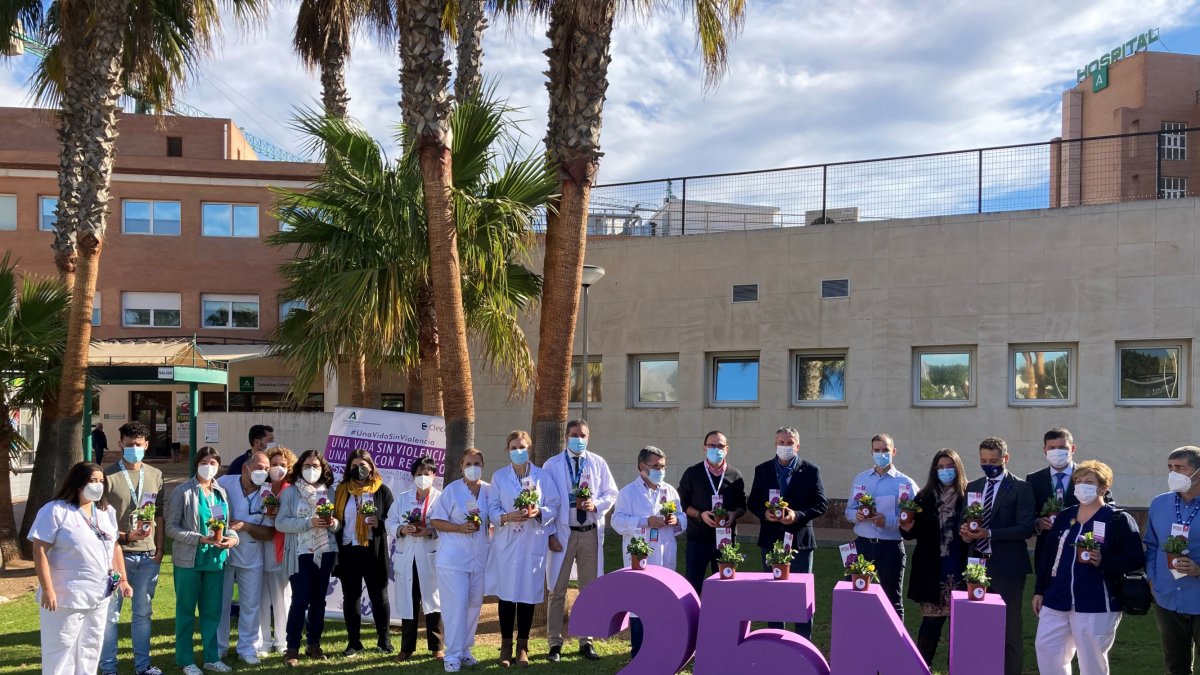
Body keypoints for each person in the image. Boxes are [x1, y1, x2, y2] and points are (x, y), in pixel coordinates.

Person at [1033, 460, 1142, 675]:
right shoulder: (1065, 516)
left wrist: (1104, 560)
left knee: (1092, 662)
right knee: (1048, 651)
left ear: (1103, 487)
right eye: (1078, 481)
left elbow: (1135, 559)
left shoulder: (1118, 519)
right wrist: (1039, 590)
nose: (1082, 486)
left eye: (1089, 482)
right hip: (1057, 598)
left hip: (1096, 602)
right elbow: (1048, 555)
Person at [30, 461, 132, 675]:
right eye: (92, 480)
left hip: (99, 594)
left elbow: (114, 546)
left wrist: (123, 580)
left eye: (101, 481)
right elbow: (39, 550)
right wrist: (48, 589)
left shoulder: (106, 512)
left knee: (90, 648)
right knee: (61, 651)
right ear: (78, 483)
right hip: (65, 595)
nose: (97, 485)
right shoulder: (56, 510)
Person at [544, 419, 619, 662]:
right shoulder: (552, 464)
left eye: (583, 435)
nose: (579, 439)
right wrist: (550, 534)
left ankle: (586, 641)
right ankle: (554, 643)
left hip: (589, 533)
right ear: (566, 437)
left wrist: (595, 505)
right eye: (574, 435)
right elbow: (545, 500)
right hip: (562, 534)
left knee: (589, 590)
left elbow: (611, 492)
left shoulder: (598, 462)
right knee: (557, 590)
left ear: (589, 437)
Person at [959, 437, 1035, 675]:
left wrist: (990, 533)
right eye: (983, 461)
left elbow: (1025, 528)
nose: (988, 465)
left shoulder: (1021, 488)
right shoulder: (973, 486)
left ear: (1005, 458)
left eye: (993, 461)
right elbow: (964, 520)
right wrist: (965, 533)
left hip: (1008, 569)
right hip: (976, 565)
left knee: (1009, 629)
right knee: (977, 626)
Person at [485, 430, 560, 667]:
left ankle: (523, 646)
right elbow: (492, 508)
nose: (518, 451)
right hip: (507, 542)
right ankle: (506, 646)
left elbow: (554, 504)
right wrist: (507, 516)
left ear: (530, 448)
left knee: (527, 595)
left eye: (522, 447)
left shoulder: (542, 477)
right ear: (507, 450)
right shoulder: (499, 477)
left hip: (532, 541)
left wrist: (538, 512)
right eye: (513, 448)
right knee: (507, 595)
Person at [166, 447, 240, 675]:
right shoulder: (183, 491)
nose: (209, 467)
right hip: (189, 561)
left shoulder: (220, 493)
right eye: (204, 462)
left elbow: (226, 525)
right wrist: (199, 539)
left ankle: (211, 657)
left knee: (212, 613)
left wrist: (233, 539)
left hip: (215, 561)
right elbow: (171, 527)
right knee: (186, 611)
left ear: (219, 466)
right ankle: (186, 660)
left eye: (213, 463)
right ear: (196, 464)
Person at [100, 421, 165, 675]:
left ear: (146, 445)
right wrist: (126, 537)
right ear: (120, 444)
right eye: (129, 445)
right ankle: (108, 669)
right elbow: (100, 522)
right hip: (116, 556)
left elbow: (159, 515)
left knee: (142, 614)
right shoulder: (106, 476)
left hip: (148, 556)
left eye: (138, 444)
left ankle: (143, 666)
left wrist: (160, 550)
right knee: (110, 616)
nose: (134, 449)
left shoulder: (156, 474)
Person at [748, 427, 826, 636]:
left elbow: (821, 504)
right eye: (781, 442)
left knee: (801, 595)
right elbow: (753, 501)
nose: (785, 446)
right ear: (775, 444)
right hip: (771, 539)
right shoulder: (762, 470)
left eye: (790, 443)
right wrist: (764, 513)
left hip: (800, 540)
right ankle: (776, 639)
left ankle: (803, 641)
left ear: (797, 446)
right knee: (773, 594)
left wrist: (797, 515)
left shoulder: (811, 470)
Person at [612, 445, 684, 658]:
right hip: (640, 557)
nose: (660, 470)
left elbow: (682, 518)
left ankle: (661, 651)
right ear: (642, 467)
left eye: (663, 466)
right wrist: (645, 521)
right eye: (656, 466)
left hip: (665, 554)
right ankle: (639, 653)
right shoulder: (627, 493)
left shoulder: (669, 491)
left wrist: (676, 521)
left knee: (665, 602)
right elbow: (617, 521)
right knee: (640, 603)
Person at [899, 448, 967, 666]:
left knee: (962, 626)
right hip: (931, 569)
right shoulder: (924, 497)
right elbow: (912, 532)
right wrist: (907, 527)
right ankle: (922, 666)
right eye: (941, 467)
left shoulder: (968, 496)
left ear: (957, 469)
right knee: (931, 624)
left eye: (950, 467)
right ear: (934, 470)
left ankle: (958, 667)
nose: (945, 471)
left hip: (960, 567)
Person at [274, 449, 339, 667]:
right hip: (300, 553)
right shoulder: (291, 492)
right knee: (300, 600)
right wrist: (308, 522)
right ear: (300, 468)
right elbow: (281, 523)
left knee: (319, 600)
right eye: (307, 466)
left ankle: (314, 644)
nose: (312, 470)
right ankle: (292, 648)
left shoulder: (329, 492)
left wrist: (334, 523)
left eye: (316, 466)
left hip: (324, 552)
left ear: (323, 468)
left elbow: (338, 522)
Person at [429, 448, 493, 673]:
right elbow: (436, 520)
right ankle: (452, 655)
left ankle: (465, 650)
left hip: (479, 558)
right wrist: (459, 528)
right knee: (456, 607)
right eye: (468, 464)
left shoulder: (489, 491)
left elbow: (494, 518)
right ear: (461, 466)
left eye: (477, 463)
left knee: (474, 605)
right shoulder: (452, 490)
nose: (472, 467)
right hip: (452, 560)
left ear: (482, 466)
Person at [844, 433, 918, 619]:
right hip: (862, 545)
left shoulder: (906, 483)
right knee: (854, 595)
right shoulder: (861, 479)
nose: (881, 454)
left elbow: (914, 520)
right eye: (877, 450)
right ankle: (857, 634)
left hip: (890, 547)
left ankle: (895, 638)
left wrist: (888, 521)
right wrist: (857, 516)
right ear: (871, 452)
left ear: (894, 451)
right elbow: (849, 510)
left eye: (885, 450)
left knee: (892, 600)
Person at [333, 449, 395, 656]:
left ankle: (384, 641)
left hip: (372, 549)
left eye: (363, 465)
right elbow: (337, 519)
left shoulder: (382, 491)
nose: (358, 469)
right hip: (348, 549)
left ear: (371, 467)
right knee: (351, 597)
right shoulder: (342, 490)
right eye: (354, 466)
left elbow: (393, 520)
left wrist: (379, 523)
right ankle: (354, 643)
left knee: (379, 596)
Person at [1144, 445, 1200, 675]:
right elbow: (1151, 545)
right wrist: (1152, 580)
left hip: (1197, 595)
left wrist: (1198, 569)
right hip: (1167, 598)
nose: (1173, 474)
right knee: (1175, 667)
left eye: (1180, 468)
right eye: (1170, 468)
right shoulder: (1159, 503)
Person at [215, 449, 274, 664]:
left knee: (250, 604)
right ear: (244, 468)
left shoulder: (268, 495)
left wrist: (247, 526)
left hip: (251, 552)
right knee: (220, 602)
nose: (262, 472)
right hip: (223, 551)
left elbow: (269, 533)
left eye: (266, 469)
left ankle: (247, 649)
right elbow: (212, 509)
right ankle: (219, 647)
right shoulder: (224, 483)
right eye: (258, 468)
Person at [387, 456, 443, 663]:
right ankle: (406, 648)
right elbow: (389, 522)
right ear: (412, 476)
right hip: (407, 559)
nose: (422, 477)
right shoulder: (403, 498)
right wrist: (402, 529)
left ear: (434, 475)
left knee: (433, 603)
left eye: (426, 474)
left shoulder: (441, 498)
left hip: (429, 557)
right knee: (408, 603)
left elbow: (446, 525)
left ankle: (437, 647)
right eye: (419, 474)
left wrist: (429, 531)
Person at [1027, 428, 1111, 565]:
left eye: (1062, 447)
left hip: (1082, 548)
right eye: (1052, 448)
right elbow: (1027, 512)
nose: (1057, 452)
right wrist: (1037, 523)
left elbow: (1107, 504)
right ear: (1045, 450)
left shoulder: (1089, 476)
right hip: (1047, 549)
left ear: (1072, 449)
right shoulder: (1034, 479)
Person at [678, 430, 747, 594]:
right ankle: (694, 612)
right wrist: (699, 515)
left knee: (725, 587)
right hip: (698, 539)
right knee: (693, 585)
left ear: (727, 449)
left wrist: (733, 514)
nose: (716, 449)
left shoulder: (735, 475)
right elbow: (682, 503)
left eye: (720, 446)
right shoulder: (692, 473)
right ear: (704, 448)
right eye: (712, 445)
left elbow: (742, 506)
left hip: (725, 541)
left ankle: (723, 611)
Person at [260, 446, 296, 655]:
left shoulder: (290, 490)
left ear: (289, 467)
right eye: (274, 464)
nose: (278, 469)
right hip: (258, 548)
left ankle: (282, 641)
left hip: (280, 549)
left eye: (283, 465)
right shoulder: (260, 488)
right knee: (261, 598)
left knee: (281, 597)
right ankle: (264, 641)